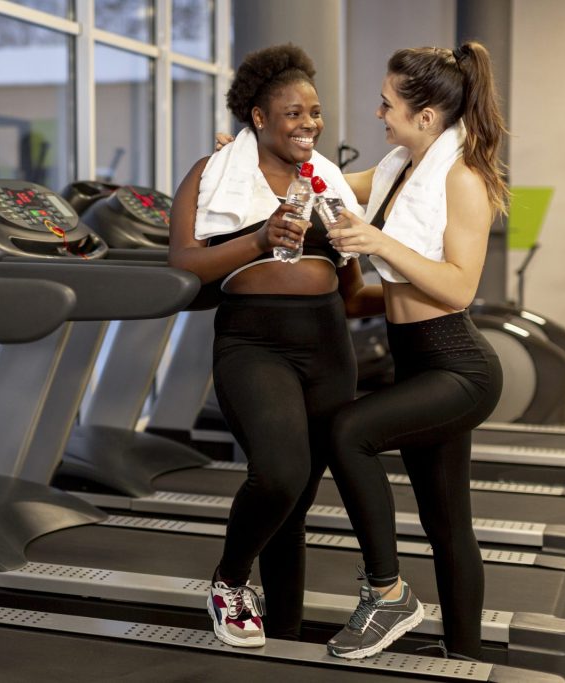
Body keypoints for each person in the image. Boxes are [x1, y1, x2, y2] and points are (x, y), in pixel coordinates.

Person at [168, 43, 380, 648]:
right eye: (293, 113)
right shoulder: (211, 173)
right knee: (279, 475)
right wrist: (260, 238)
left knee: (296, 506)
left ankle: (284, 639)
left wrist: (437, 291)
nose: (309, 124)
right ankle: (231, 582)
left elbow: (353, 289)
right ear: (258, 117)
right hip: (252, 339)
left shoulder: (327, 180)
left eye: (314, 113)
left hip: (326, 341)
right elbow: (187, 263)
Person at [321, 42, 508, 660]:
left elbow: (458, 287)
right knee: (448, 525)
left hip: (458, 366)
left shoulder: (463, 179)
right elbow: (326, 185)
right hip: (417, 356)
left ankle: (388, 594)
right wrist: (251, 162)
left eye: (386, 104)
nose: (379, 114)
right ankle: (466, 661)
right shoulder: (400, 165)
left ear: (426, 116)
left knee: (348, 432)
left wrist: (377, 241)